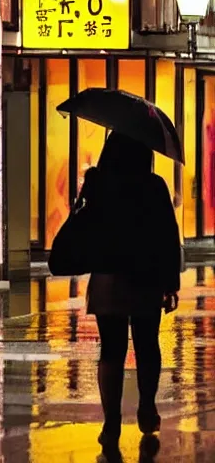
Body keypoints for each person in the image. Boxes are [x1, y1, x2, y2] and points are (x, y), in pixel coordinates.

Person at [82, 132, 181, 451]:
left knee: (111, 350)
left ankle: (111, 423)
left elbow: (85, 225)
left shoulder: (98, 184)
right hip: (146, 275)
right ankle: (147, 407)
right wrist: (171, 284)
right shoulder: (153, 186)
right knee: (147, 344)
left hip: (108, 275)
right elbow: (168, 235)